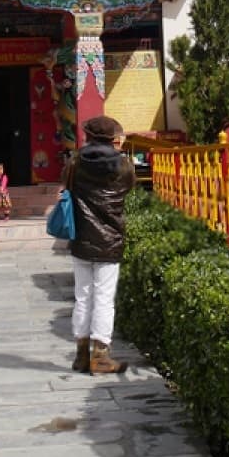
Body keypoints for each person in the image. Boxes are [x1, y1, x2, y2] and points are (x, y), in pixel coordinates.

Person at [66, 114, 136, 373]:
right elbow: (129, 188)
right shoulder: (124, 165)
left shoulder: (75, 162)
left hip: (82, 236)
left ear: (89, 136)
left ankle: (81, 355)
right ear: (113, 139)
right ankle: (101, 354)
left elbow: (67, 185)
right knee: (105, 298)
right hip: (110, 238)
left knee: (83, 296)